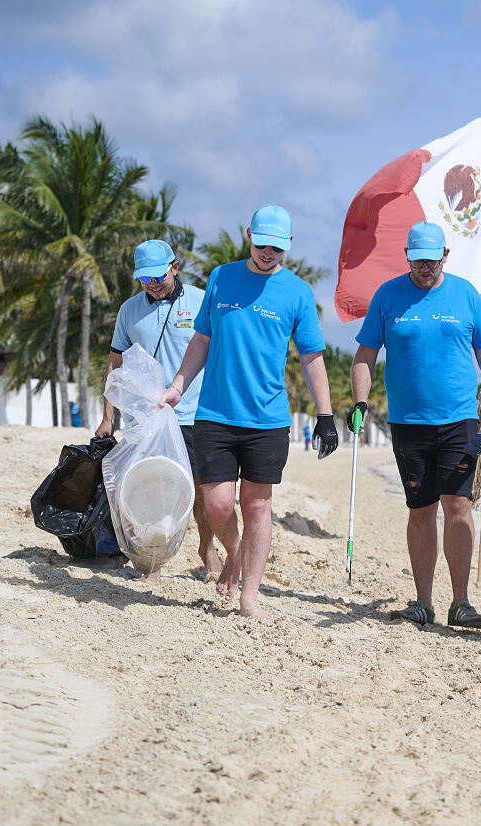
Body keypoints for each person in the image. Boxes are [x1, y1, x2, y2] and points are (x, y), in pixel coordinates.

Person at [160, 205, 338, 623]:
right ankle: (236, 554)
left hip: (268, 420)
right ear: (248, 236)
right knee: (218, 504)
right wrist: (177, 386)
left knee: (257, 505)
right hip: (216, 413)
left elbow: (312, 359)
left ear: (289, 245)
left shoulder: (297, 293)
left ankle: (250, 598)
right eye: (261, 245)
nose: (268, 253)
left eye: (277, 247)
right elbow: (201, 340)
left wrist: (326, 416)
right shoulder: (221, 277)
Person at [351, 221, 481, 629]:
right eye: (418, 260)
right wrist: (359, 402)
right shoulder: (388, 296)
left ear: (445, 255)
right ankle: (423, 601)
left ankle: (461, 602)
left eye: (432, 259)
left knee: (458, 505)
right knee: (420, 509)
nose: (426, 267)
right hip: (408, 424)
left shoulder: (465, 294)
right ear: (407, 256)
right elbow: (364, 356)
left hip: (461, 420)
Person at [94, 239, 218, 580]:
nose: (151, 284)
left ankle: (206, 549)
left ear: (174, 267)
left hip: (193, 414)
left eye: (158, 276)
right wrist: (108, 418)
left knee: (200, 493)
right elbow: (115, 364)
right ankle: (152, 563)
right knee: (148, 491)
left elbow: (218, 353)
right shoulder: (129, 311)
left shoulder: (200, 301)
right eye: (144, 278)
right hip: (144, 420)